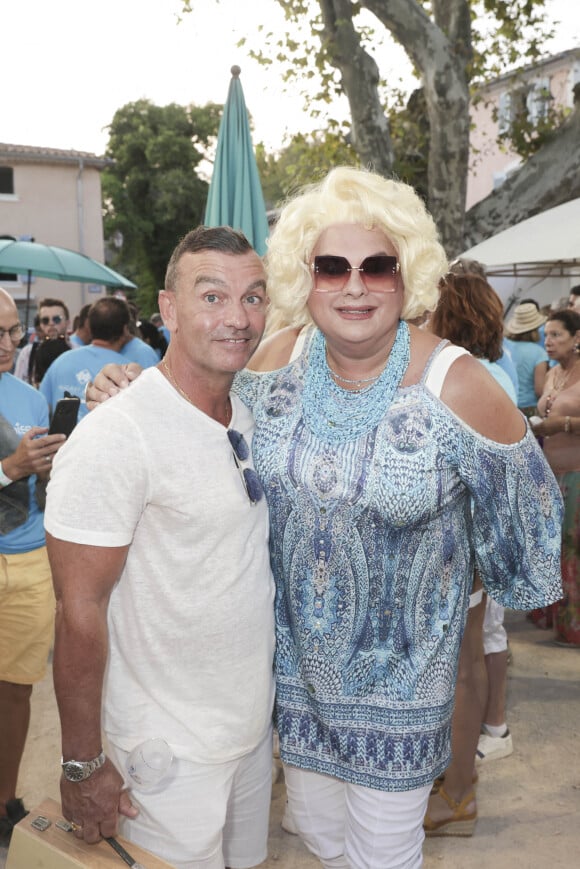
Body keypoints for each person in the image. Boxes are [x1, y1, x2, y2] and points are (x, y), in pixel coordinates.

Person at [89, 167, 563, 868]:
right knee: (318, 839)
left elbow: (530, 524)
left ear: (408, 276)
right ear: (303, 276)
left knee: (382, 854)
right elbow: (194, 410)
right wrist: (120, 387)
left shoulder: (457, 384)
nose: (354, 284)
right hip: (295, 689)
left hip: (402, 694)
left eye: (378, 266)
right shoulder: (275, 363)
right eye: (332, 265)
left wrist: (460, 595)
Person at [44, 227, 275, 869]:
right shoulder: (117, 435)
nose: (237, 317)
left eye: (254, 297)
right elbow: (77, 609)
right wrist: (83, 763)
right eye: (213, 296)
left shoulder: (252, 409)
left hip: (250, 741)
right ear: (168, 310)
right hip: (163, 763)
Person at [422, 270, 517, 837]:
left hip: (465, 546)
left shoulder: (470, 379)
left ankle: (458, 792)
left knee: (463, 664)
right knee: (467, 659)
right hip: (467, 546)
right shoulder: (488, 371)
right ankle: (456, 785)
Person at [0, 287, 66, 846]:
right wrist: (9, 468)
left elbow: (45, 485)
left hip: (30, 559)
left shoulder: (29, 398)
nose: (8, 343)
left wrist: (55, 464)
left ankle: (5, 799)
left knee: (17, 690)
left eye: (13, 332)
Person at [530, 308, 580, 647]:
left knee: (574, 548)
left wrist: (561, 425)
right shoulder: (551, 374)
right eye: (546, 335)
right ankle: (557, 617)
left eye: (556, 335)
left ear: (577, 338)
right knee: (554, 547)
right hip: (550, 474)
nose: (548, 342)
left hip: (577, 474)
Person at [39, 297, 136, 420]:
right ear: (125, 330)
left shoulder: (61, 361)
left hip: (64, 438)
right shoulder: (127, 372)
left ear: (89, 327)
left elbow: (41, 407)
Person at [504, 302, 549, 416]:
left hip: (507, 404)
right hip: (529, 408)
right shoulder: (539, 352)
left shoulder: (504, 346)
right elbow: (539, 389)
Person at [14, 298, 70, 385]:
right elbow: (17, 386)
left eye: (56, 319)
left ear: (67, 322)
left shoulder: (77, 350)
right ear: (40, 324)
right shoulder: (28, 353)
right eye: (45, 320)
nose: (51, 323)